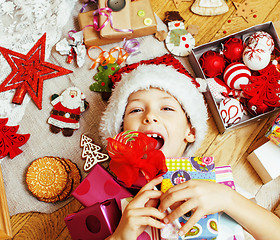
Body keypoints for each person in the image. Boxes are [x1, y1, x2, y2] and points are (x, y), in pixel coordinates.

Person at [99, 56, 280, 240]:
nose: (150, 116)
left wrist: (228, 199)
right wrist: (119, 238)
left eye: (167, 108)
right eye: (135, 110)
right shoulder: (114, 209)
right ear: (122, 135)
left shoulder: (214, 184)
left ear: (191, 131)